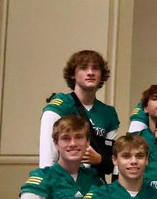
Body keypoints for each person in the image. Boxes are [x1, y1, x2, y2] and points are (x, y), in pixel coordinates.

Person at [40, 50, 119, 178]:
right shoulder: (59, 107)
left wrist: (99, 159)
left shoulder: (108, 113)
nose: (90, 73)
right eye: (83, 68)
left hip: (95, 185)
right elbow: (47, 158)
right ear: (73, 74)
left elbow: (113, 162)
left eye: (95, 68)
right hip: (65, 183)